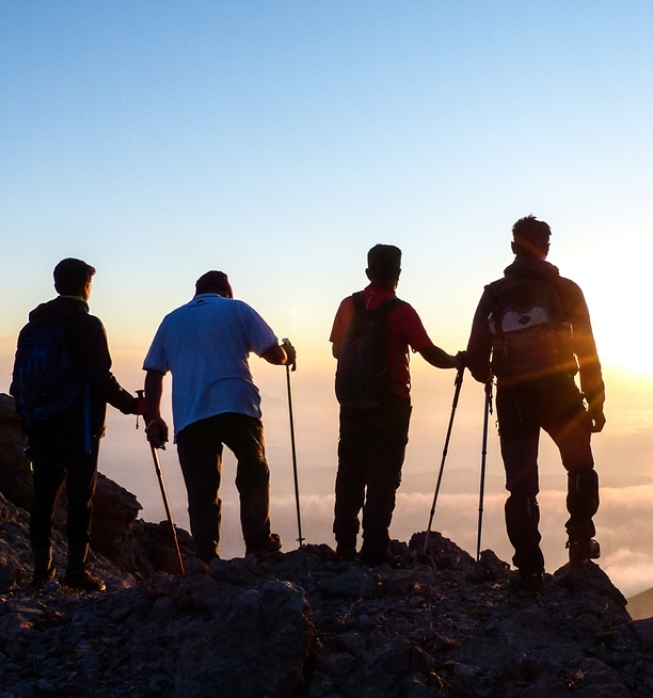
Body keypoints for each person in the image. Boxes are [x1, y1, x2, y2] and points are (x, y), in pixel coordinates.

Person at [465, 216, 606, 592]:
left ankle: (529, 569)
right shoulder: (567, 290)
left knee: (522, 486)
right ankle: (580, 543)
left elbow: (477, 359)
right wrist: (596, 400)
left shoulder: (494, 294)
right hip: (561, 393)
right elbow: (587, 350)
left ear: (513, 247)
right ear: (547, 247)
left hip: (514, 399)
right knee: (580, 466)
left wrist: (489, 372)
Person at [142, 270, 296, 564]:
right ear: (227, 291)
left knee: (202, 490)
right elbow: (274, 355)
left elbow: (154, 372)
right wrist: (288, 354)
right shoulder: (237, 309)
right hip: (237, 405)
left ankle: (207, 560)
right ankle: (258, 544)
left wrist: (154, 417)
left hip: (190, 414)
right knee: (254, 471)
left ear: (197, 293)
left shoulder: (171, 320)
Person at [329, 245, 464, 564]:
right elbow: (430, 353)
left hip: (352, 401)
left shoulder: (348, 305)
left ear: (368, 272)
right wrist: (458, 361)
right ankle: (375, 549)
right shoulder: (401, 311)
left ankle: (345, 545)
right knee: (383, 476)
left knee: (349, 472)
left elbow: (336, 351)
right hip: (391, 403)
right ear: (398, 274)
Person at [12, 258, 141, 592]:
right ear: (86, 286)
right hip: (79, 423)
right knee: (80, 497)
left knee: (43, 497)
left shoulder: (32, 328)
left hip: (40, 422)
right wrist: (132, 405)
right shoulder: (88, 325)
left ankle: (42, 573)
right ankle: (76, 571)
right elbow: (100, 379)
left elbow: (18, 380)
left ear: (56, 285)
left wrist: (29, 416)